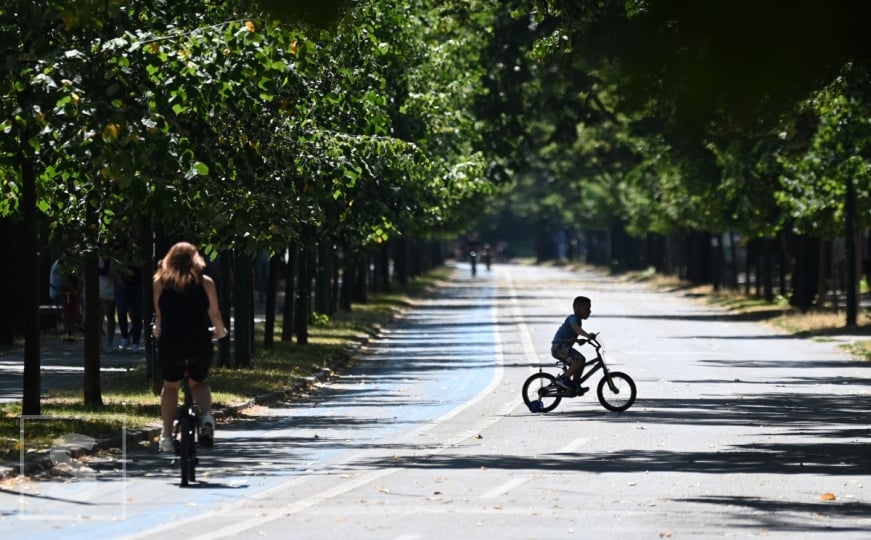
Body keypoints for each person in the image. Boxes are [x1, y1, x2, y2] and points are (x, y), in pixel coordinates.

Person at [152, 242, 228, 453]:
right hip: (199, 341)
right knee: (199, 382)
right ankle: (206, 417)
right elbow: (214, 313)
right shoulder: (206, 283)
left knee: (170, 386)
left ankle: (166, 436)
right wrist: (220, 332)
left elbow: (160, 314)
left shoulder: (159, 282)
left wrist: (157, 330)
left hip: (171, 342)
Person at [551, 296, 597, 393]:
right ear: (578, 309)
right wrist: (587, 335)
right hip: (559, 348)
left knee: (581, 362)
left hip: (562, 347)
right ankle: (564, 379)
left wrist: (578, 341)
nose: (589, 311)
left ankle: (575, 385)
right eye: (587, 309)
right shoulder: (574, 318)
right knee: (580, 360)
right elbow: (575, 328)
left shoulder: (577, 319)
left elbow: (569, 335)